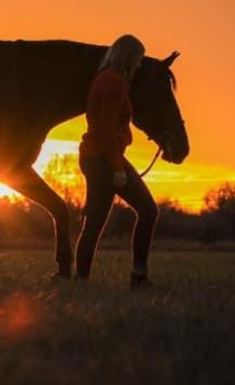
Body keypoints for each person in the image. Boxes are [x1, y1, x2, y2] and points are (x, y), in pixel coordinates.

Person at [76, 34, 160, 289]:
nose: (139, 63)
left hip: (95, 156)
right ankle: (138, 277)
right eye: (138, 58)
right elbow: (106, 128)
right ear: (130, 56)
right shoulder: (115, 83)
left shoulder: (104, 79)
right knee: (148, 210)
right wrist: (117, 168)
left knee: (94, 223)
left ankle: (80, 281)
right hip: (104, 157)